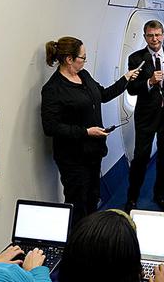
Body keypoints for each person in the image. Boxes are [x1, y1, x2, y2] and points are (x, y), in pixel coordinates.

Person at [41, 36, 139, 224]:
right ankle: (78, 241)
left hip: (93, 152)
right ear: (69, 59)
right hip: (73, 157)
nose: (85, 61)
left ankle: (92, 237)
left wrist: (125, 79)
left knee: (93, 197)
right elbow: (51, 127)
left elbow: (102, 94)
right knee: (78, 202)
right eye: (82, 58)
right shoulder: (53, 89)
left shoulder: (83, 76)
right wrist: (86, 132)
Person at [125, 20, 164, 212]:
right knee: (140, 157)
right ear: (145, 37)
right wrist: (149, 82)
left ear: (162, 35)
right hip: (146, 115)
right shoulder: (136, 59)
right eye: (150, 35)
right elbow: (132, 89)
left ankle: (160, 195)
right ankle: (132, 197)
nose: (154, 39)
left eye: (158, 35)